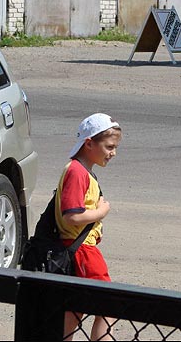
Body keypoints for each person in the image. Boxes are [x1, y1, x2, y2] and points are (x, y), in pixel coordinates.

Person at [57, 113, 122, 341]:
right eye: (109, 146)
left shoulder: (80, 170)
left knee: (74, 308)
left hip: (76, 248)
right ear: (89, 143)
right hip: (83, 251)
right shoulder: (77, 172)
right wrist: (101, 212)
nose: (113, 153)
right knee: (108, 305)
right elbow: (71, 216)